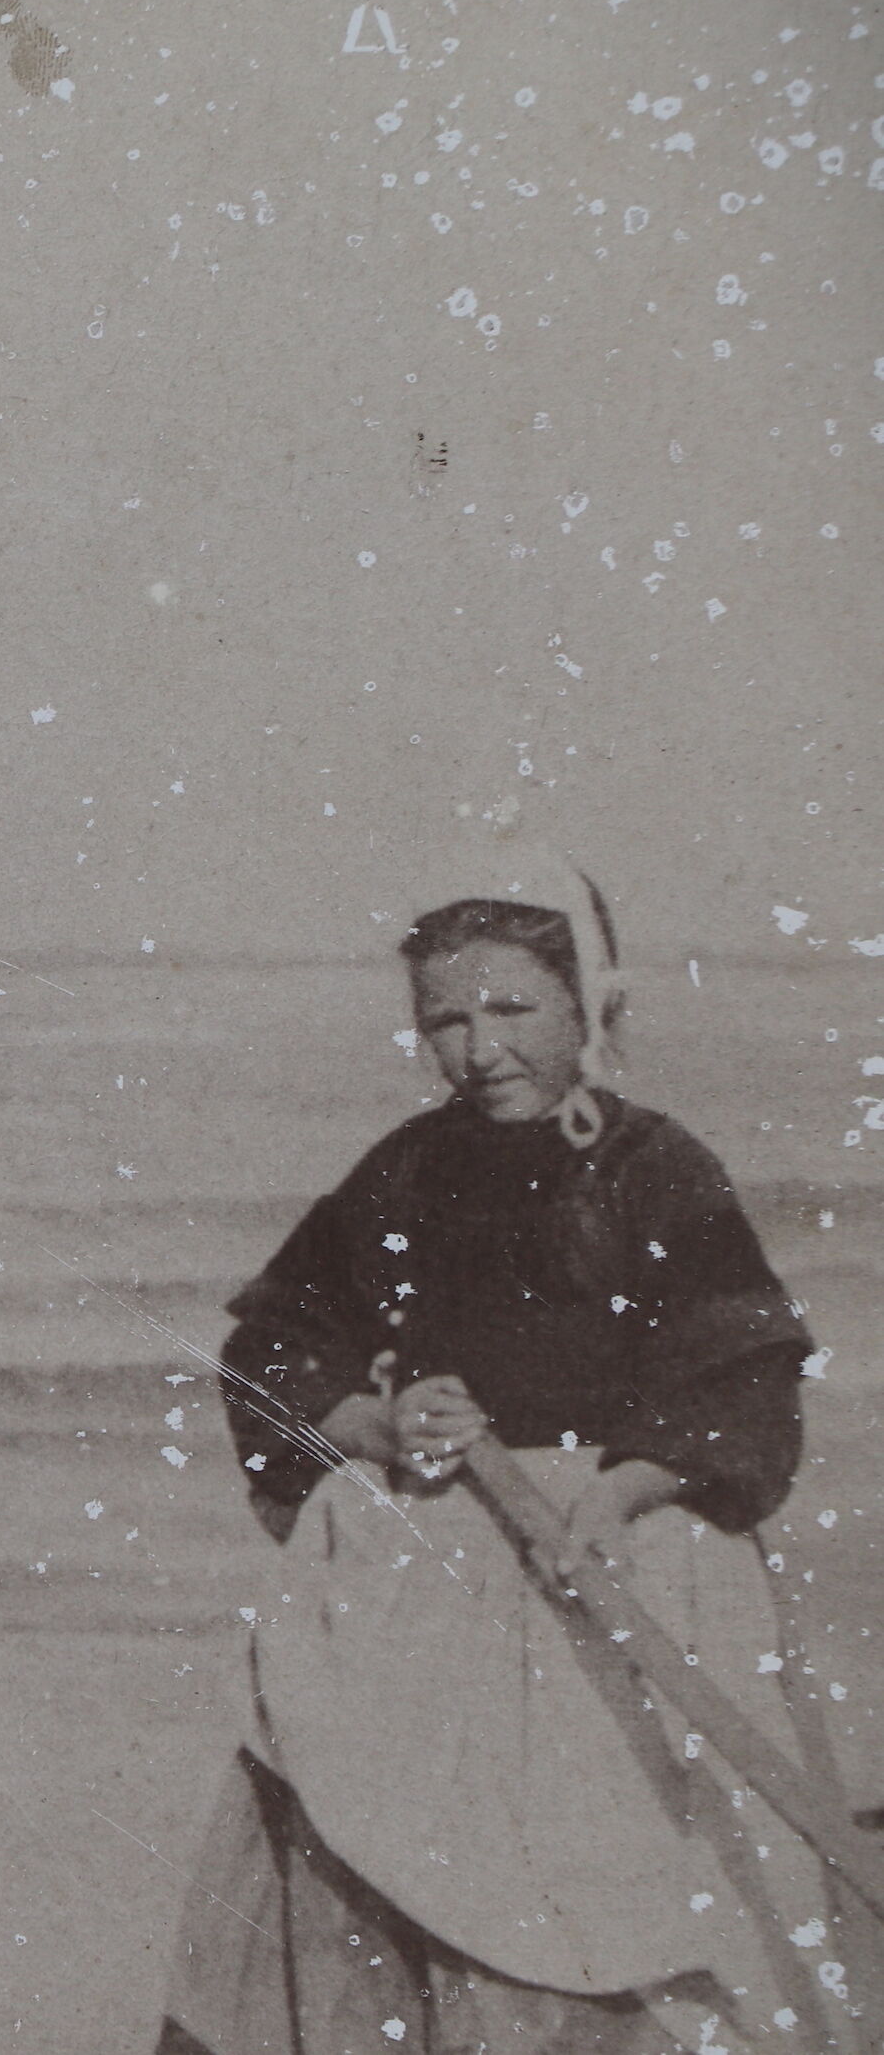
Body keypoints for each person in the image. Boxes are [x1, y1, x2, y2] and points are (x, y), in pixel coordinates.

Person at [157, 871, 841, 2055]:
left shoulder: (655, 1164)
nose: (478, 1050)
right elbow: (274, 1348)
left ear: (587, 1007)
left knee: (618, 1897)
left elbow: (744, 1378)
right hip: (429, 1566)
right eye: (445, 1022)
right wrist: (380, 1421)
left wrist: (621, 1494)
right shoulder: (406, 1169)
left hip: (621, 1562)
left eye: (514, 1011)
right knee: (380, 1869)